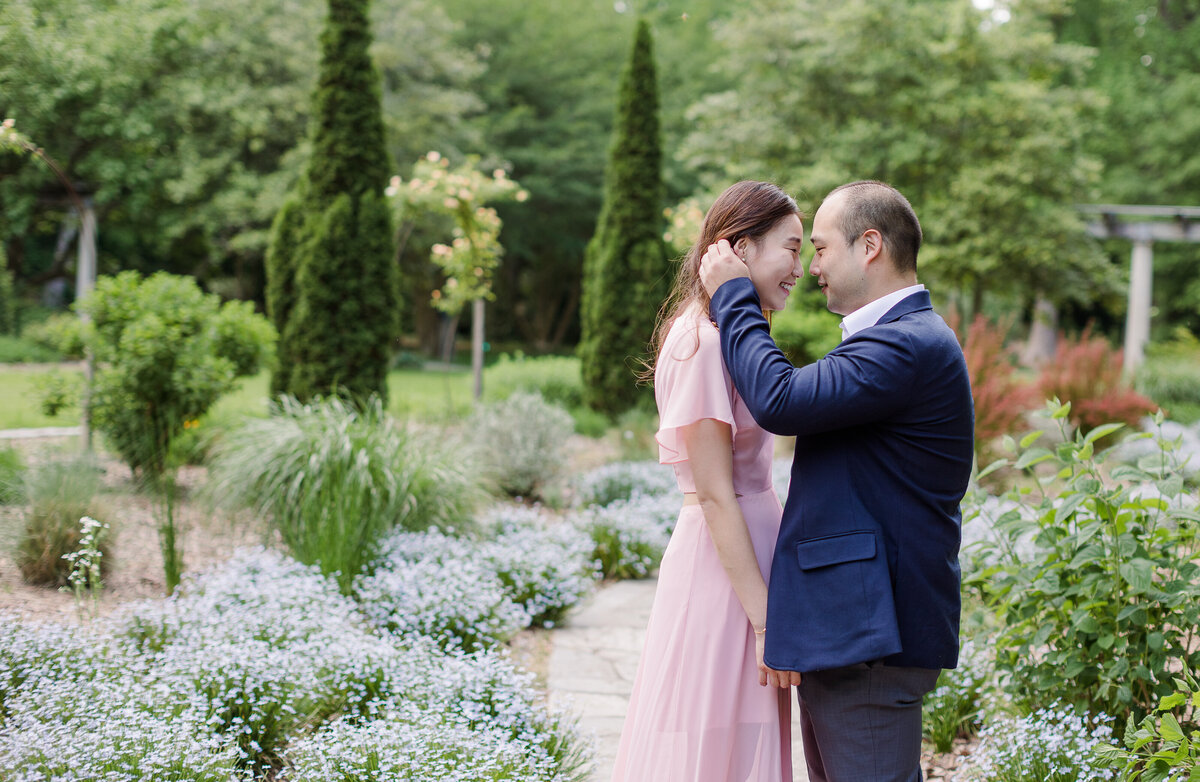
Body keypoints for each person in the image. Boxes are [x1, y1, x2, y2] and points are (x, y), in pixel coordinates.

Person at [698, 181, 974, 782]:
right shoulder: (898, 339)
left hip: (869, 635)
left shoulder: (906, 345)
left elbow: (781, 399)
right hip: (851, 627)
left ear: (869, 245)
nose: (810, 267)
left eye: (819, 248)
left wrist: (734, 298)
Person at [611, 181, 805, 782]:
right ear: (740, 247)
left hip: (747, 559)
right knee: (712, 741)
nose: (801, 267)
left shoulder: (732, 333)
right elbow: (716, 492)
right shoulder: (703, 341)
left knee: (738, 738)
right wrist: (765, 619)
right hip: (727, 572)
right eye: (791, 248)